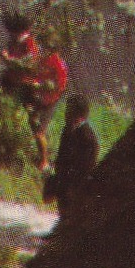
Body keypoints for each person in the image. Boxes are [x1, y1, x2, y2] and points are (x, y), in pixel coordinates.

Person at [45, 93, 99, 221]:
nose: (65, 113)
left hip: (76, 186)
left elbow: (86, 167)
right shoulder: (67, 130)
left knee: (72, 218)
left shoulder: (87, 137)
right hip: (64, 183)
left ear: (79, 114)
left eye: (69, 110)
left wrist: (71, 187)